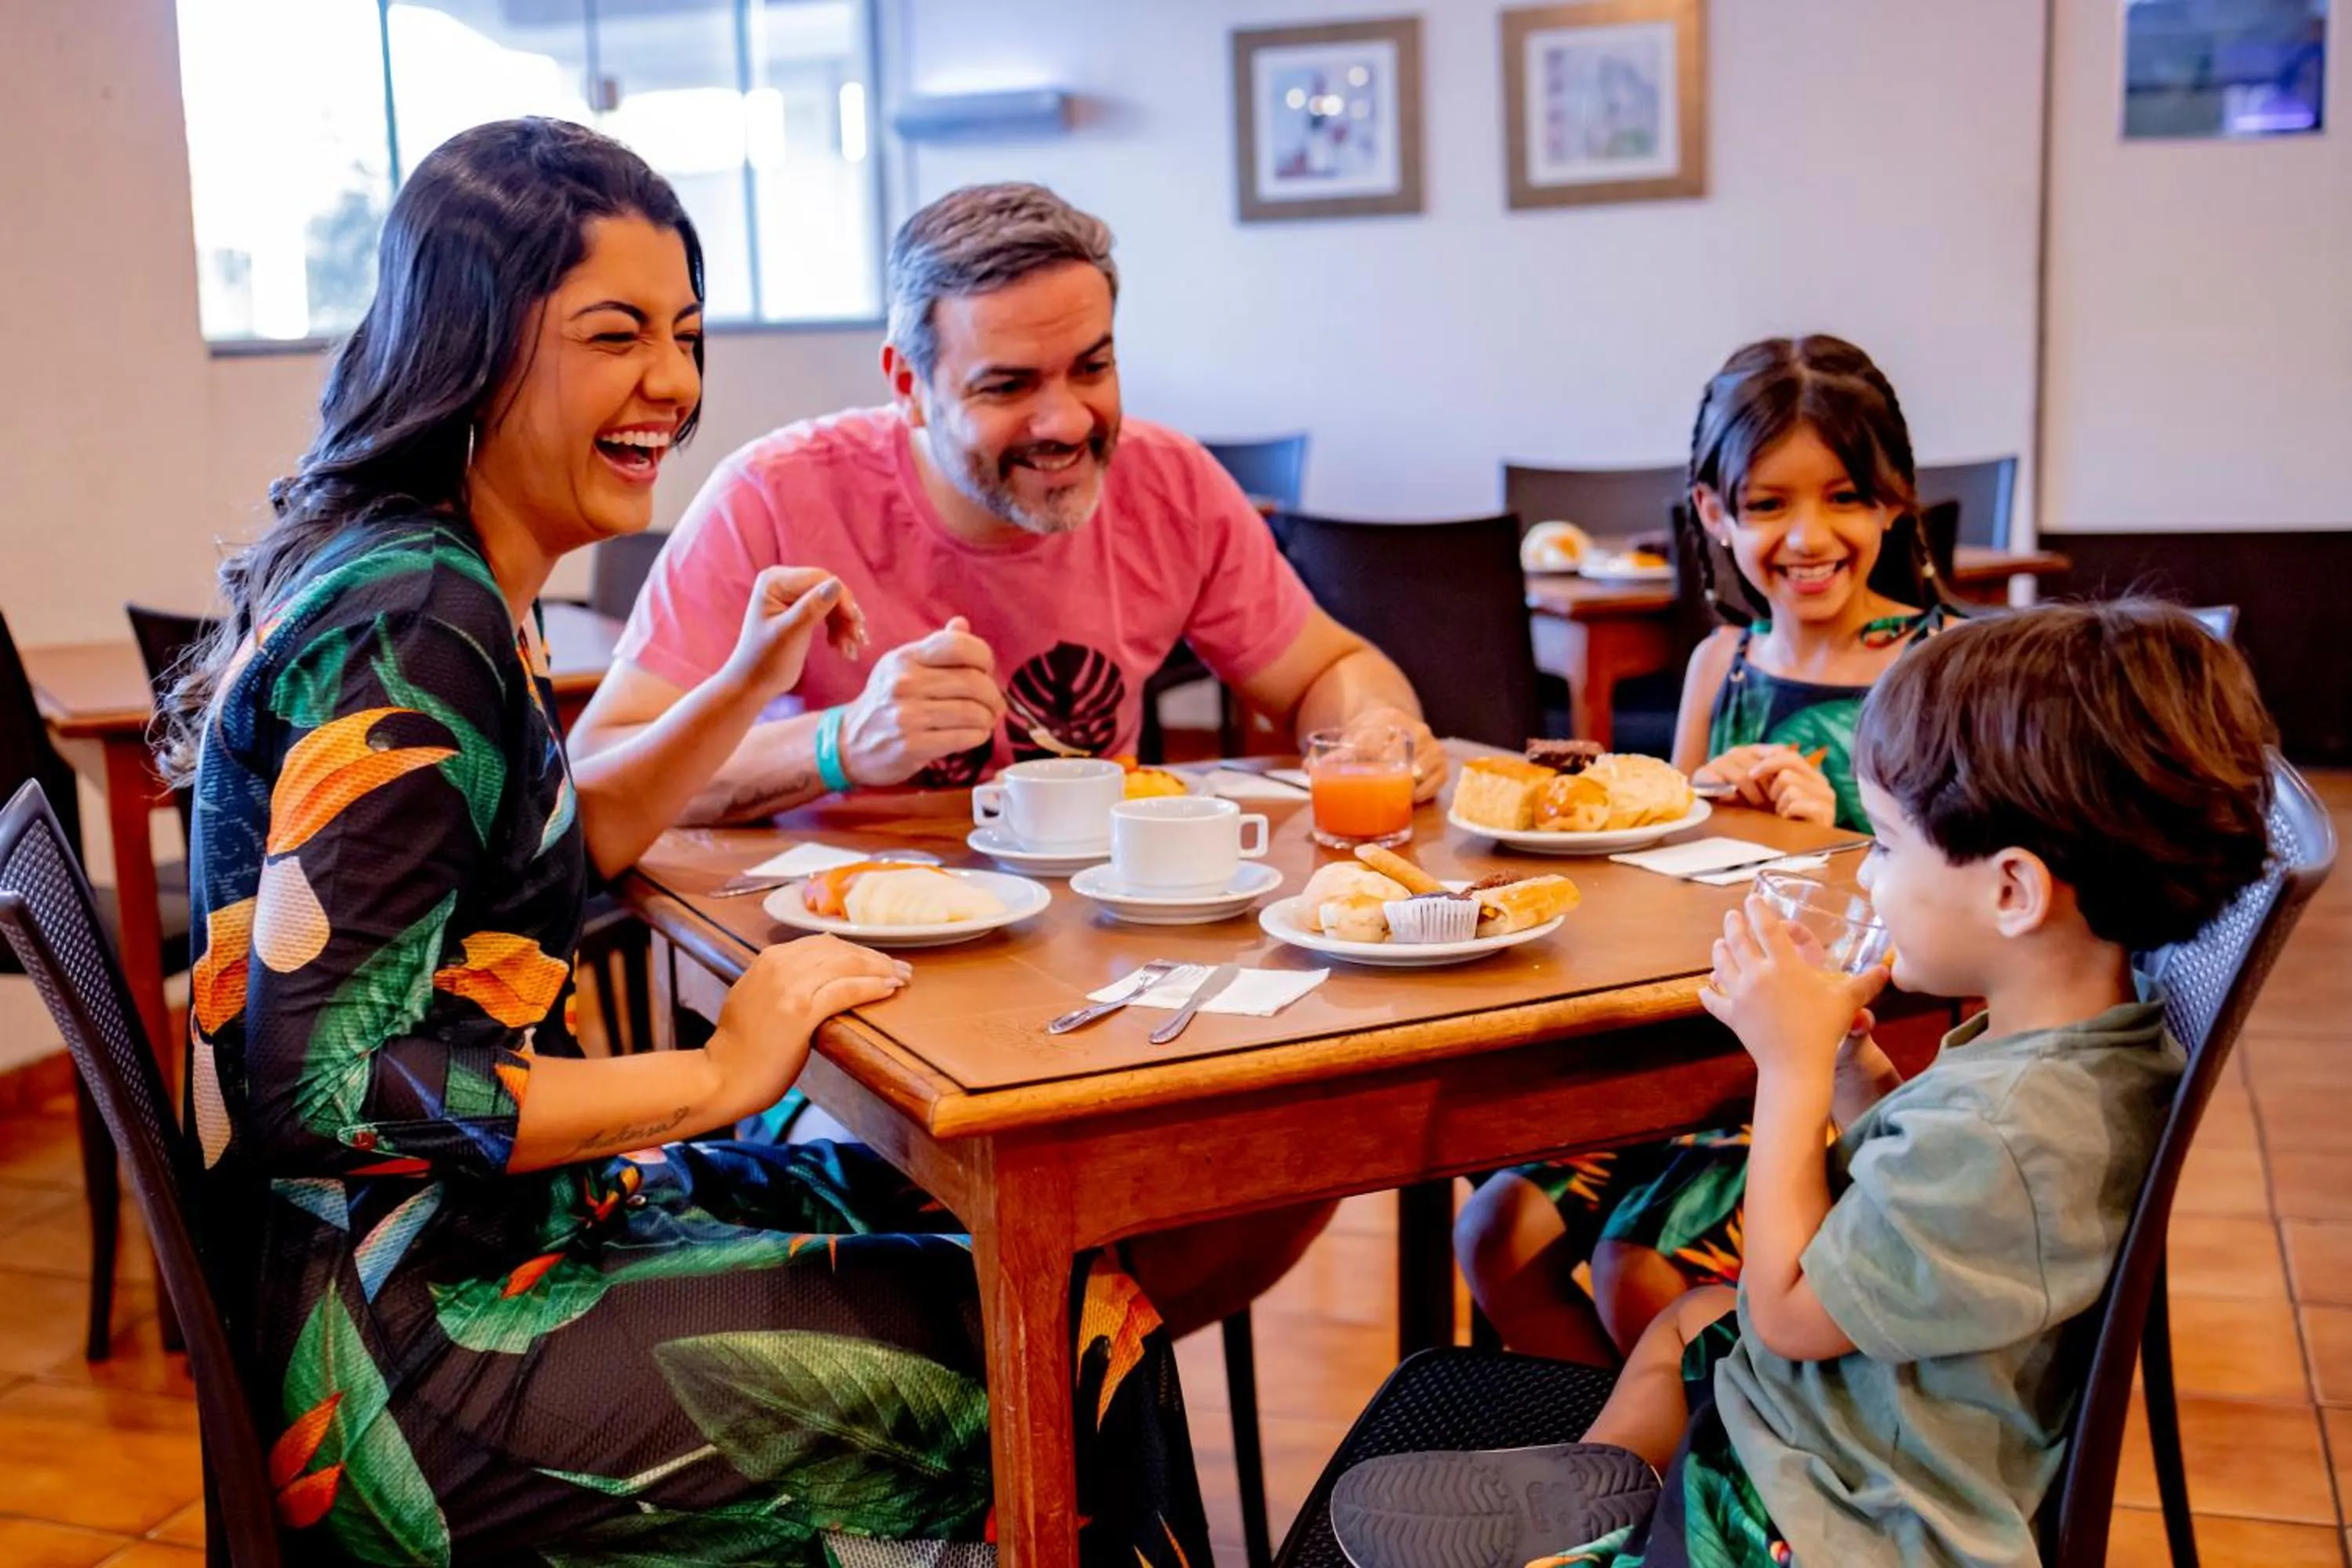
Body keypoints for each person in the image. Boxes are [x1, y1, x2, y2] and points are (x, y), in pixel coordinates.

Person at [165, 118, 1208, 1567]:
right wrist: (722, 1073)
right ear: (475, 344)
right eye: (614, 335)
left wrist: (736, 688)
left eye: (684, 334)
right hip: (422, 1352)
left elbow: (545, 846)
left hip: (463, 1254)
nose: (673, 383)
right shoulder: (422, 621)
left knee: (1029, 1247)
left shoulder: (428, 570)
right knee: (1073, 1327)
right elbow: (317, 1088)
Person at [1330, 600, 2278, 1568]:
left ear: (2013, 891)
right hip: (1875, 1415)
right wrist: (1851, 1068)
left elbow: (1786, 1306)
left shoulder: (2009, 1129)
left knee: (1732, 1319)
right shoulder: (2075, 1051)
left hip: (1845, 1513)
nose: (1867, 878)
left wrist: (1784, 1065)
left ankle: (1618, 1544)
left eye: (1889, 845)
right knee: (1686, 1322)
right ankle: (1588, 1500)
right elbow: (1921, 1199)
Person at [566, 179, 1447, 826]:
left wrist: (1378, 728)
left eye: (1092, 367)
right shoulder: (772, 497)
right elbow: (601, 773)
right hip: (834, 962)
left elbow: (1328, 669)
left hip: (1104, 944)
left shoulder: (1170, 483)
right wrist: (838, 745)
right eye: (1008, 385)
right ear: (908, 384)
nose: (1066, 421)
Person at [1457, 336, 1954, 1366]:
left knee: (1641, 1272)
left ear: (1896, 503)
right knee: (1493, 1233)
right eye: (1768, 504)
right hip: (1689, 1050)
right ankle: (1618, 1478)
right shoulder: (1719, 664)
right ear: (1714, 514)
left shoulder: (1941, 669)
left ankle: (1714, 1487)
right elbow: (1655, 895)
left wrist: (1840, 843)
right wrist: (1693, 812)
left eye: (1845, 496)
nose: (1807, 535)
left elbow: (1973, 923)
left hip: (1850, 1077)